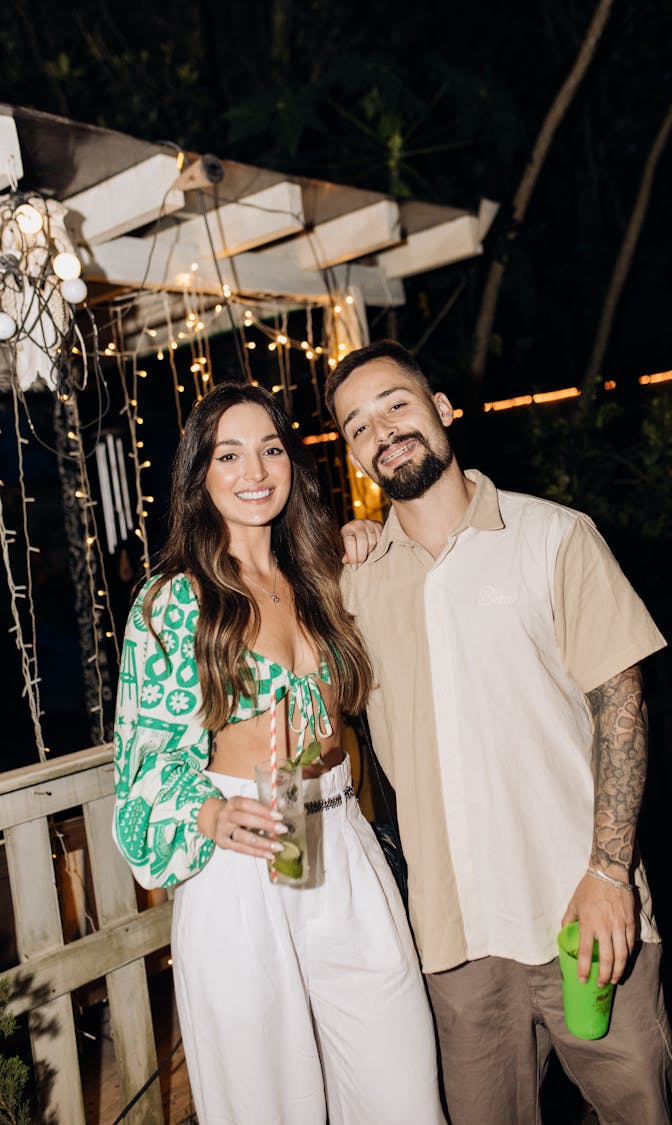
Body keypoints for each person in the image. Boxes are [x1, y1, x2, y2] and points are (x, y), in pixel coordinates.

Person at [326, 340, 672, 1125]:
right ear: (353, 454)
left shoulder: (554, 536)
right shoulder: (353, 588)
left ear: (443, 407)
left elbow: (622, 707)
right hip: (455, 944)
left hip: (584, 914)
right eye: (358, 426)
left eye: (397, 403)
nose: (382, 429)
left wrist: (612, 873)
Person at [112, 380, 445, 1125]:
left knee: (400, 1084)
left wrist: (362, 536)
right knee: (270, 1101)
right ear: (200, 476)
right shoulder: (174, 599)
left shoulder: (320, 572)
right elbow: (142, 758)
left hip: (338, 835)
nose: (254, 469)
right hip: (247, 858)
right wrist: (205, 810)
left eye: (269, 448)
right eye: (228, 454)